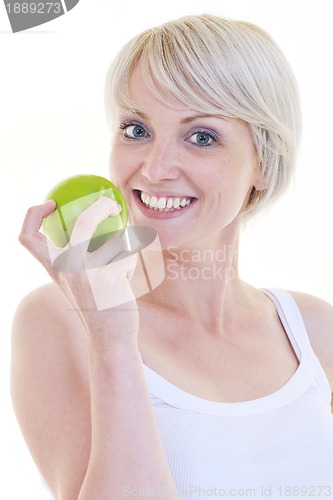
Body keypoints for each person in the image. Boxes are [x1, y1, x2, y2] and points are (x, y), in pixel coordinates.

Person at [11, 13, 333, 500]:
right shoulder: (60, 319)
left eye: (201, 136)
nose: (155, 168)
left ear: (263, 163)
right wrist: (114, 339)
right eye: (136, 129)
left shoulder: (312, 330)